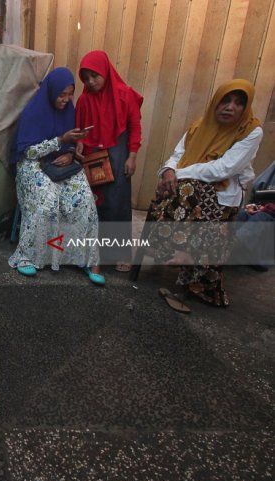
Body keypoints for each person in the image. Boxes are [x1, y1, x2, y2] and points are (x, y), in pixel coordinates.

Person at [150, 79, 263, 310]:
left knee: (186, 186)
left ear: (246, 107)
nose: (230, 107)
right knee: (178, 186)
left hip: (223, 196)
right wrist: (168, 171)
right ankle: (177, 252)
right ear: (216, 102)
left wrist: (177, 174)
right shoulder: (199, 125)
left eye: (238, 103)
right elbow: (177, 154)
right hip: (190, 193)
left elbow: (223, 169)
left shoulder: (251, 131)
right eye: (225, 100)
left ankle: (186, 258)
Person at [8, 67, 103, 284]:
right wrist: (60, 140)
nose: (66, 99)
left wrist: (70, 153)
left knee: (85, 201)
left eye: (70, 94)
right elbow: (28, 151)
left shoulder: (68, 110)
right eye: (62, 94)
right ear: (51, 91)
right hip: (33, 164)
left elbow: (69, 144)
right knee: (47, 201)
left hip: (61, 164)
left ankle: (87, 259)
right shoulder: (34, 111)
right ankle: (28, 255)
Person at [76, 51, 143, 272]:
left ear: (104, 71)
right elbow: (79, 130)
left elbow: (135, 127)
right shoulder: (84, 100)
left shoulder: (125, 95)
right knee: (96, 205)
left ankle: (121, 253)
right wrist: (79, 145)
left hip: (118, 155)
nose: (90, 82)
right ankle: (94, 253)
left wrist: (132, 156)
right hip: (93, 157)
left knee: (118, 205)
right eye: (85, 78)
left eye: (94, 76)